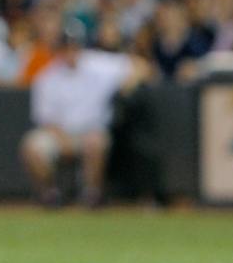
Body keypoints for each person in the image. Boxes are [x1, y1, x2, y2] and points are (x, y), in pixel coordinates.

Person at [20, 17, 147, 208]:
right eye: (66, 46)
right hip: (59, 134)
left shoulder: (99, 65)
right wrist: (64, 140)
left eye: (74, 45)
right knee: (32, 146)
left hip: (91, 131)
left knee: (95, 141)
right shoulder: (47, 76)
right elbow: (45, 120)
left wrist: (129, 83)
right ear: (58, 49)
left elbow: (139, 66)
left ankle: (92, 195)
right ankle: (50, 195)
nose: (71, 51)